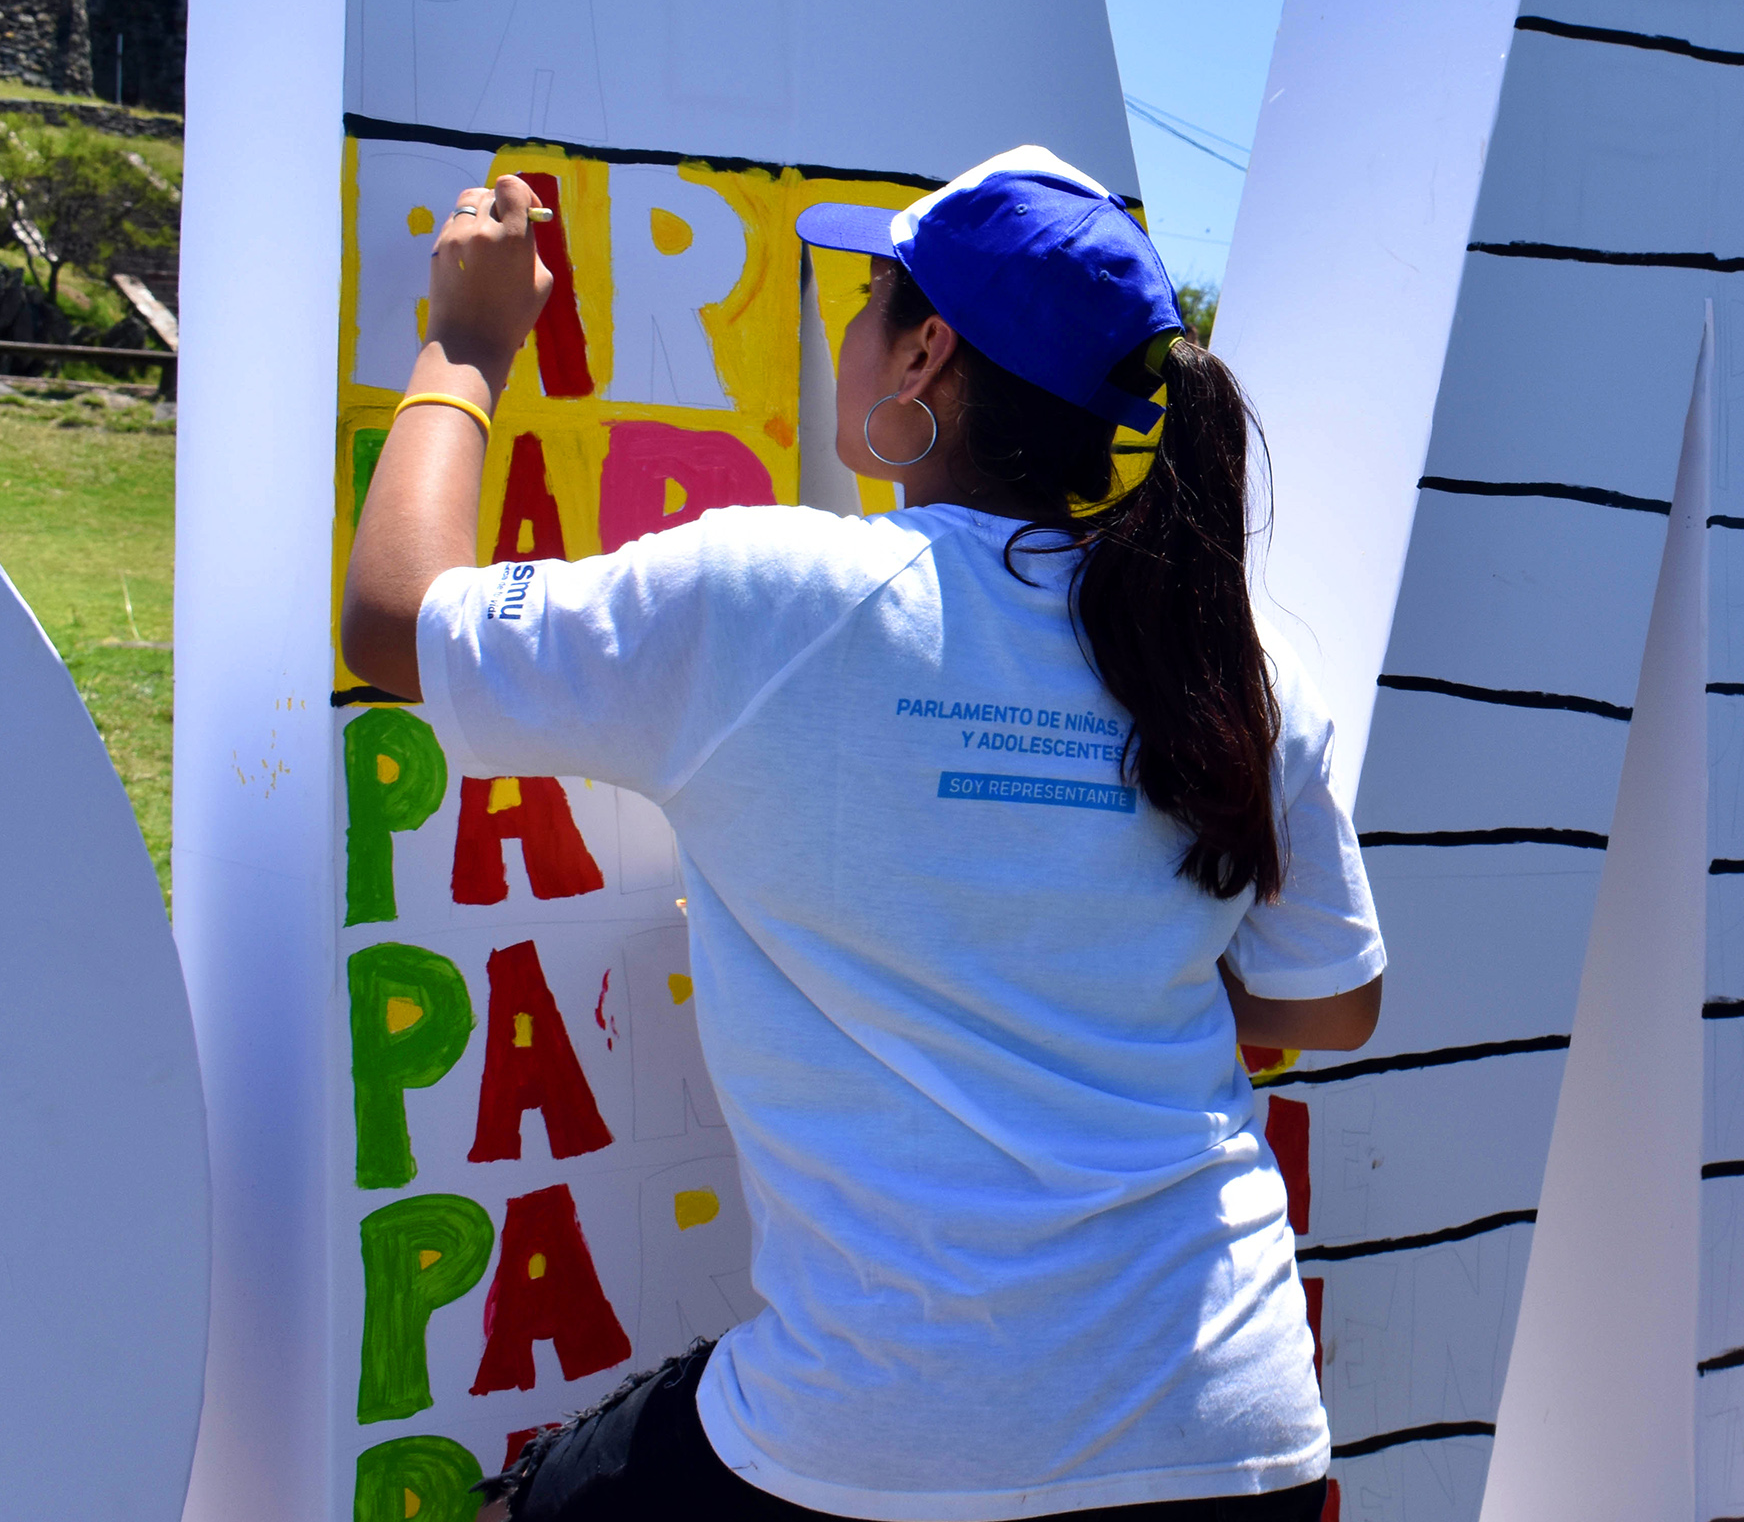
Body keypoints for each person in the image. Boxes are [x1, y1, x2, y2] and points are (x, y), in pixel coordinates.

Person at [342, 151, 1384, 1522]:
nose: (842, 331)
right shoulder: (1226, 651)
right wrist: (1100, 959)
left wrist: (467, 344)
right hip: (1229, 1428)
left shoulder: (778, 598)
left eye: (864, 298)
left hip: (884, 1443)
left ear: (925, 356)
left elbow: (391, 619)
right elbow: (1336, 1000)